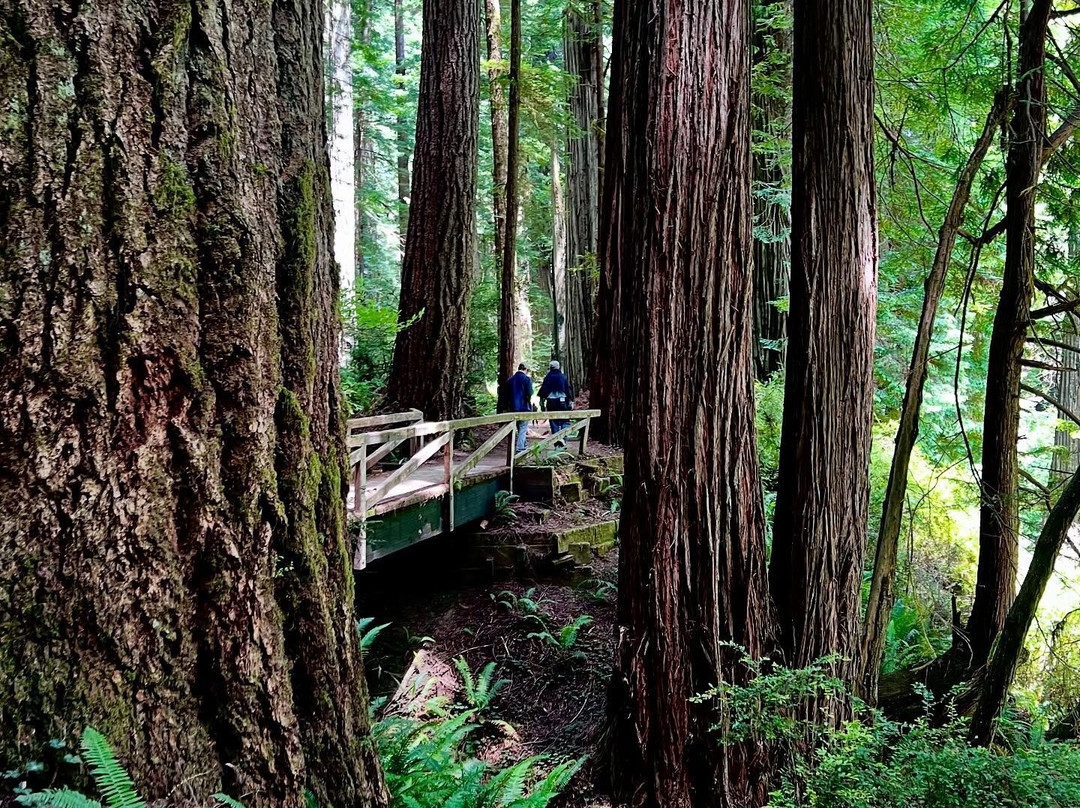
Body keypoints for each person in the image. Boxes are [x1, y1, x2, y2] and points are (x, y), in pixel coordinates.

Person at [499, 363, 534, 452]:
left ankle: (523, 445)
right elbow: (530, 392)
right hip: (524, 408)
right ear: (526, 370)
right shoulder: (527, 379)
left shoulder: (510, 380)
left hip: (512, 408)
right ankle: (520, 448)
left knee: (519, 428)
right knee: (523, 429)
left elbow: (505, 396)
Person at [539, 360, 574, 448]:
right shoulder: (562, 377)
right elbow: (568, 390)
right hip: (563, 401)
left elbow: (543, 392)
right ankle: (563, 439)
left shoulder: (547, 377)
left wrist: (542, 403)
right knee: (565, 420)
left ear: (550, 367)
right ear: (558, 367)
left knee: (553, 421)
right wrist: (570, 401)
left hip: (551, 402)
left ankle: (557, 441)